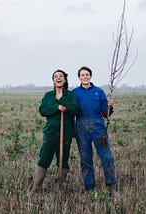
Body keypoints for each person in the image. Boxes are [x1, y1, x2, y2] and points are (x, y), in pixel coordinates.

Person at [72, 66, 117, 197]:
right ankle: (89, 187)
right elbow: (72, 111)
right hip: (81, 130)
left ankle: (112, 186)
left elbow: (105, 114)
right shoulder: (74, 93)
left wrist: (110, 106)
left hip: (98, 130)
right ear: (79, 77)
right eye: (82, 75)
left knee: (107, 157)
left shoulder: (99, 92)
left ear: (90, 76)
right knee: (86, 160)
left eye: (87, 74)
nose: (85, 77)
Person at [33, 70, 78, 193]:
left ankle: (61, 186)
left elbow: (75, 109)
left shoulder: (70, 95)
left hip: (66, 132)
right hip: (51, 132)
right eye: (56, 77)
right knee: (44, 158)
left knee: (63, 160)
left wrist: (62, 99)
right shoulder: (48, 95)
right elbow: (42, 110)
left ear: (64, 80)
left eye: (61, 76)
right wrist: (56, 107)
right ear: (53, 80)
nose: (58, 78)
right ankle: (36, 188)